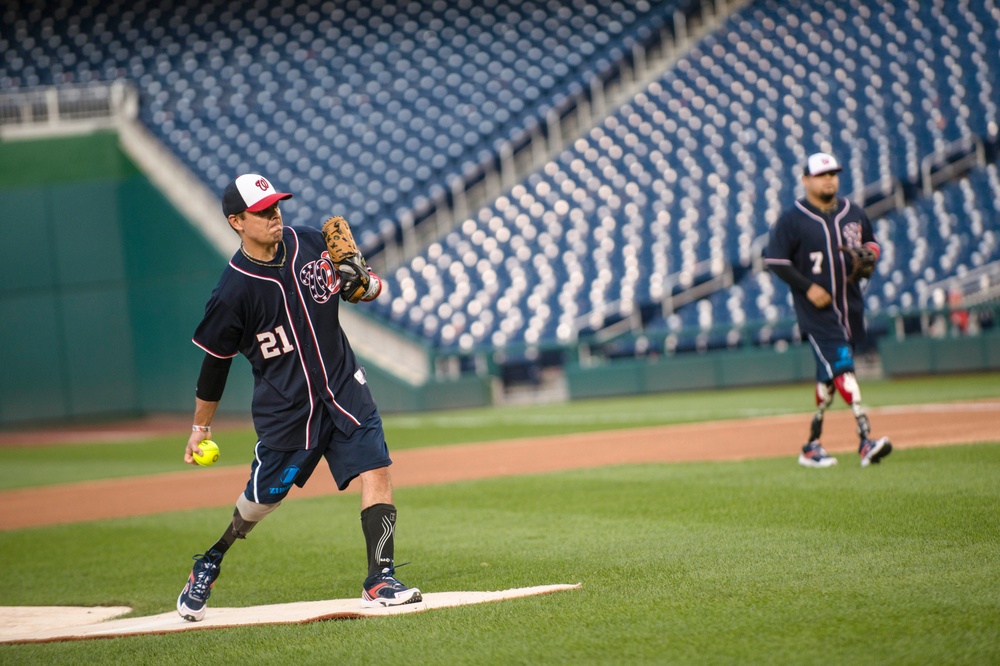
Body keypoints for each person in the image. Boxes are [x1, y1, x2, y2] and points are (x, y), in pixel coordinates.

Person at [176, 173, 421, 621]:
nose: (274, 213)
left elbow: (367, 286)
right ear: (236, 221)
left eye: (276, 204)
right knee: (261, 501)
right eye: (262, 210)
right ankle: (210, 559)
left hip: (344, 386)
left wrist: (366, 283)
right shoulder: (233, 292)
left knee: (377, 466)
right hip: (288, 412)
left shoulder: (310, 243)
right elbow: (215, 364)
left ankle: (379, 578)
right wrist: (200, 428)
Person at [764, 152, 892, 469]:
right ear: (806, 180)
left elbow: (872, 244)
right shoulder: (792, 219)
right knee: (844, 367)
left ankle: (811, 445)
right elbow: (775, 260)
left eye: (833, 174)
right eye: (821, 175)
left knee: (829, 379)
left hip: (850, 305)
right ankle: (866, 440)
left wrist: (871, 254)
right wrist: (807, 287)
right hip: (816, 312)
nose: (828, 179)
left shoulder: (853, 212)